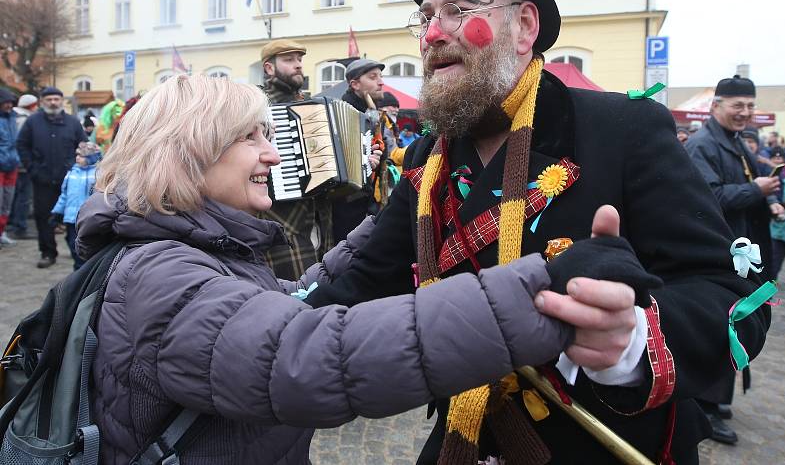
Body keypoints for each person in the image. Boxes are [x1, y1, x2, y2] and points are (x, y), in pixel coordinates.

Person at [304, 0, 770, 463]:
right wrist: (265, 322)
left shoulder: (621, 130)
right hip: (465, 437)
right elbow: (367, 278)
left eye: (457, 9)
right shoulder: (429, 153)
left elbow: (737, 300)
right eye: (426, 16)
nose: (431, 34)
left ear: (525, 26)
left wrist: (630, 342)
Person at [75, 73, 572, 464]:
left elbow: (285, 303)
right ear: (187, 153)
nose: (272, 154)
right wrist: (537, 291)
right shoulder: (159, 272)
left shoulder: (186, 247)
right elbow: (303, 355)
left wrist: (391, 223)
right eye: (250, 138)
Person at [685, 74, 781, 444]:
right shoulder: (702, 145)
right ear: (716, 107)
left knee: (734, 325)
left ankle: (715, 399)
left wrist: (771, 198)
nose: (745, 112)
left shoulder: (734, 142)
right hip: (718, 253)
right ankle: (704, 409)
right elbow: (708, 200)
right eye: (737, 105)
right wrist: (753, 189)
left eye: (750, 106)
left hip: (741, 252)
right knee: (721, 326)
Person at [258, 38, 333, 280]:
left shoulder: (311, 106)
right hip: (280, 216)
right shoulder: (258, 106)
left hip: (318, 216)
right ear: (269, 68)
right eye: (289, 60)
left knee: (318, 285)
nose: (298, 65)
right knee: (295, 289)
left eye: (299, 59)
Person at [16, 86, 87, 268]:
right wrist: (32, 169)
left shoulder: (72, 122)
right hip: (43, 179)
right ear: (42, 102)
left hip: (70, 181)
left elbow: (83, 145)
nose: (53, 102)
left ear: (62, 101)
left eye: (56, 99)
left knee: (74, 217)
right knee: (43, 217)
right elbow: (22, 145)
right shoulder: (33, 122)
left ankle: (78, 252)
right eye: (49, 99)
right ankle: (48, 252)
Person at [331, 58, 387, 241]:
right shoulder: (343, 112)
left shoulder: (371, 112)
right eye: (373, 77)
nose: (380, 82)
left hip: (366, 203)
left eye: (380, 76)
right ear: (355, 84)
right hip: (346, 210)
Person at [49, 141, 101, 269]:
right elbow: (64, 195)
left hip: (88, 218)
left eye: (81, 156)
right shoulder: (72, 173)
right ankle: (79, 268)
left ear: (91, 158)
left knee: (86, 245)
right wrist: (57, 212)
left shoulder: (98, 174)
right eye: (77, 155)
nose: (77, 157)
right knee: (72, 242)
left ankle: (84, 268)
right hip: (71, 217)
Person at [7, 93, 38, 239]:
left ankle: (12, 222)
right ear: (31, 105)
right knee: (24, 196)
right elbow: (22, 143)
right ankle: (20, 226)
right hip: (22, 164)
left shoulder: (13, 117)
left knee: (14, 195)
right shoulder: (26, 120)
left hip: (12, 162)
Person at [0, 88, 20, 248]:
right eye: (5, 102)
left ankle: (2, 232)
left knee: (7, 202)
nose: (8, 105)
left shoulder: (13, 118)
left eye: (10, 102)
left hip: (12, 166)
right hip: (1, 166)